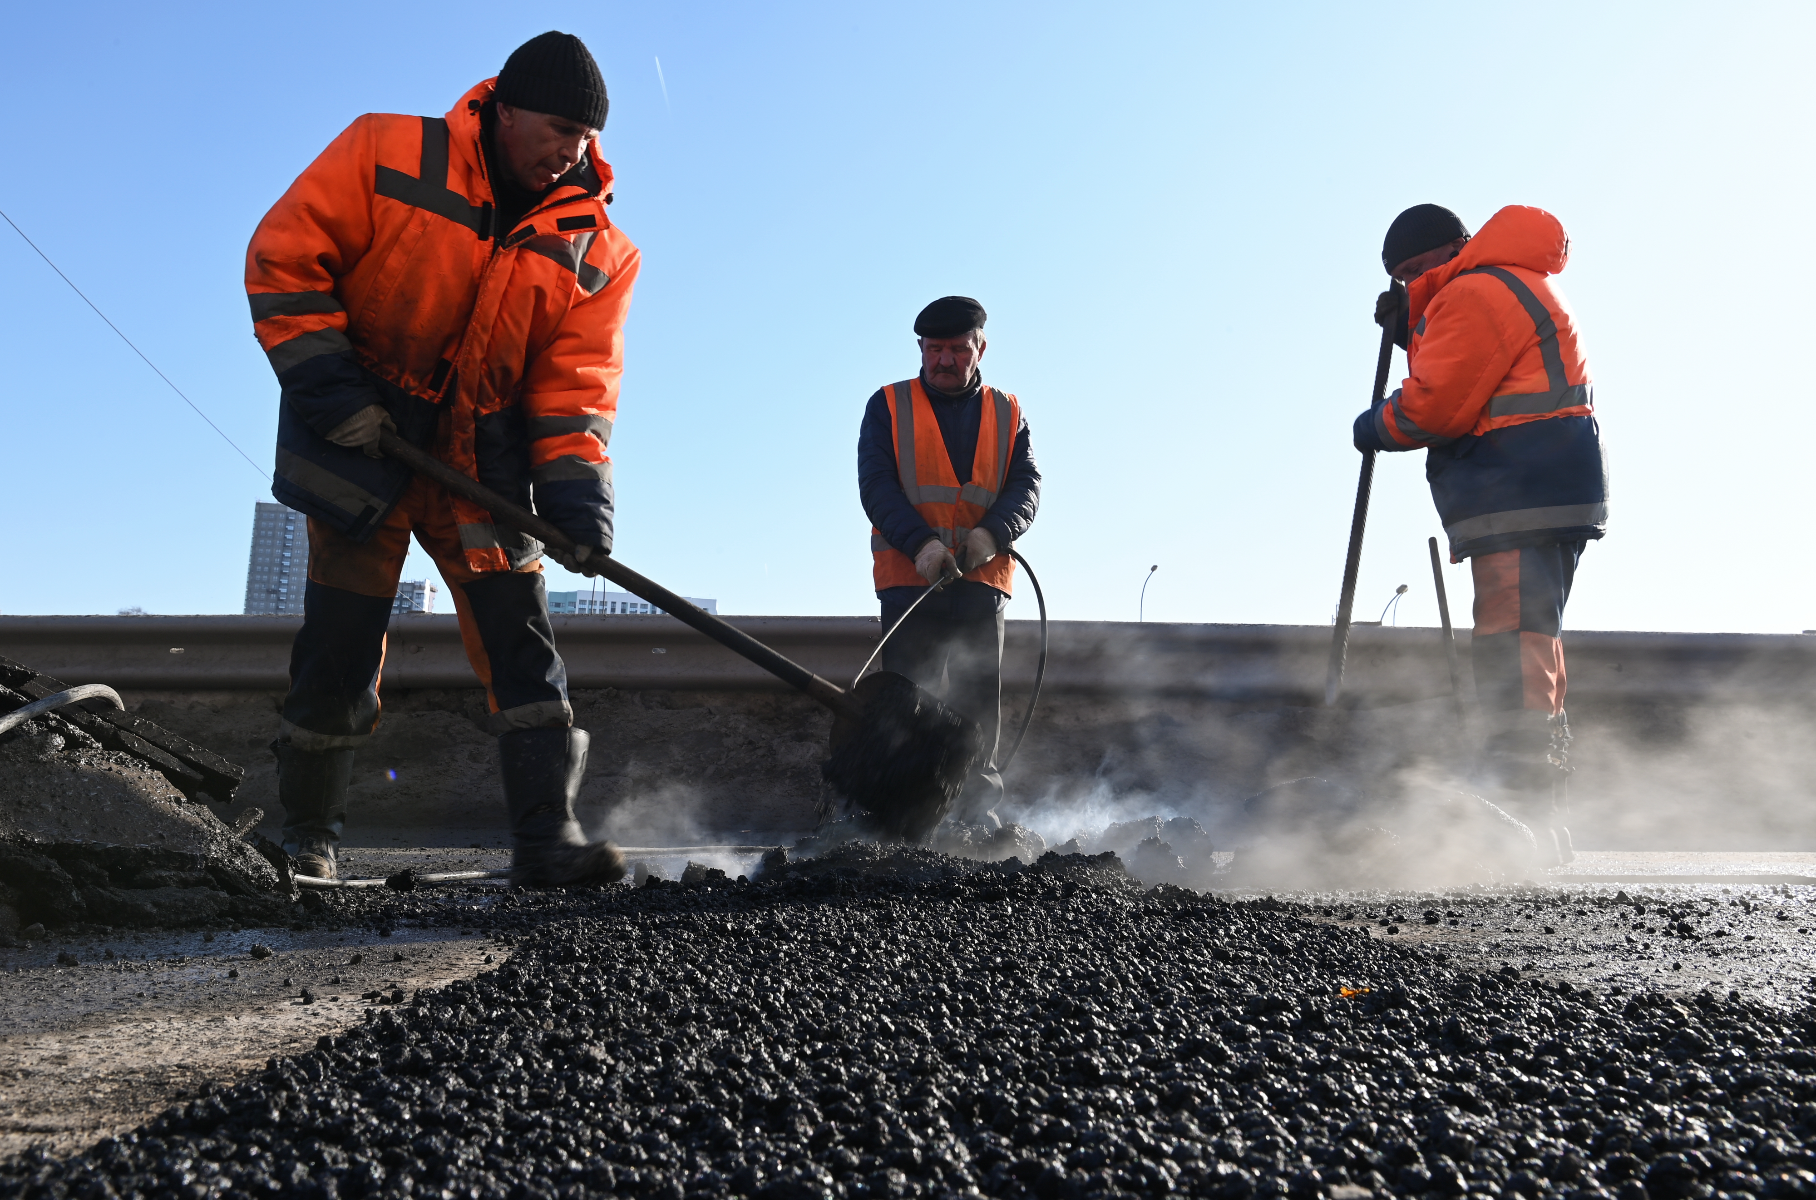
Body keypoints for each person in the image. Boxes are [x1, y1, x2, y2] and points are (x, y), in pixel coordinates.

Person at [244, 32, 638, 883]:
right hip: (366, 441)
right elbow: (284, 262)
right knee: (341, 646)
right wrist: (337, 398)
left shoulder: (597, 249)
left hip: (481, 461)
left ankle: (546, 839)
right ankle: (307, 839)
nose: (569, 150)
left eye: (583, 137)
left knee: (523, 645)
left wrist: (576, 509)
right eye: (556, 128)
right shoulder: (385, 150)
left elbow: (577, 391)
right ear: (504, 105)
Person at [1355, 204, 1608, 865]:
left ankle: (1520, 811)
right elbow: (1472, 364)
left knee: (1513, 647)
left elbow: (1437, 403)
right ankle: (1543, 824)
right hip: (1540, 487)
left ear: (1452, 250)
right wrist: (1415, 328)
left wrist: (1377, 424)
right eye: (1400, 279)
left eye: (1415, 271)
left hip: (1519, 489)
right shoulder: (1501, 283)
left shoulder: (1474, 291)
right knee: (1531, 645)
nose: (1411, 285)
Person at [857, 297, 1041, 826]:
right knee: (908, 697)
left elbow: (1026, 486)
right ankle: (900, 816)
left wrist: (992, 533)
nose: (943, 360)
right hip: (908, 579)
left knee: (978, 696)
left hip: (982, 582)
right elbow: (877, 486)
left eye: (957, 350)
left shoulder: (1009, 412)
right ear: (920, 348)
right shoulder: (888, 406)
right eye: (934, 349)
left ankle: (973, 813)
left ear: (980, 348)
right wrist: (922, 545)